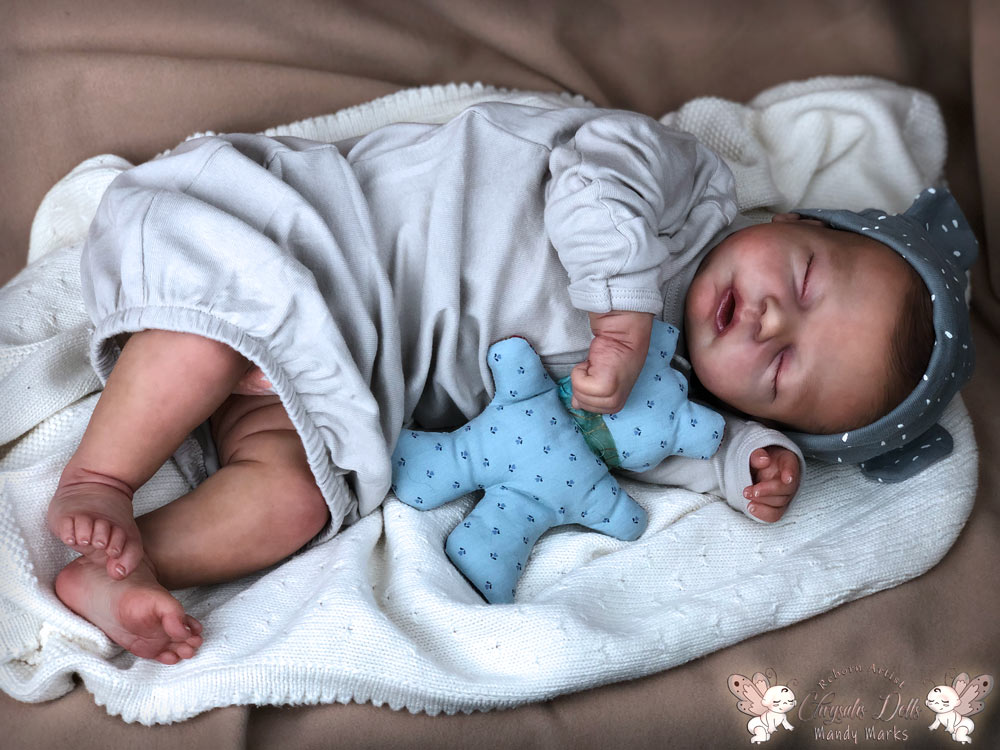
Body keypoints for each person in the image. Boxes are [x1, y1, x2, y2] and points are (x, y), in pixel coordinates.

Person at [44, 102, 976, 664]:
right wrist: (622, 310)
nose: (771, 319)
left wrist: (745, 461)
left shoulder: (672, 396)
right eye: (804, 280)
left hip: (342, 382)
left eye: (780, 370)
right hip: (318, 242)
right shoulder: (684, 189)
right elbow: (592, 175)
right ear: (797, 219)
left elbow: (655, 449)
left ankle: (123, 569)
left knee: (294, 501)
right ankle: (101, 479)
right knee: (205, 339)